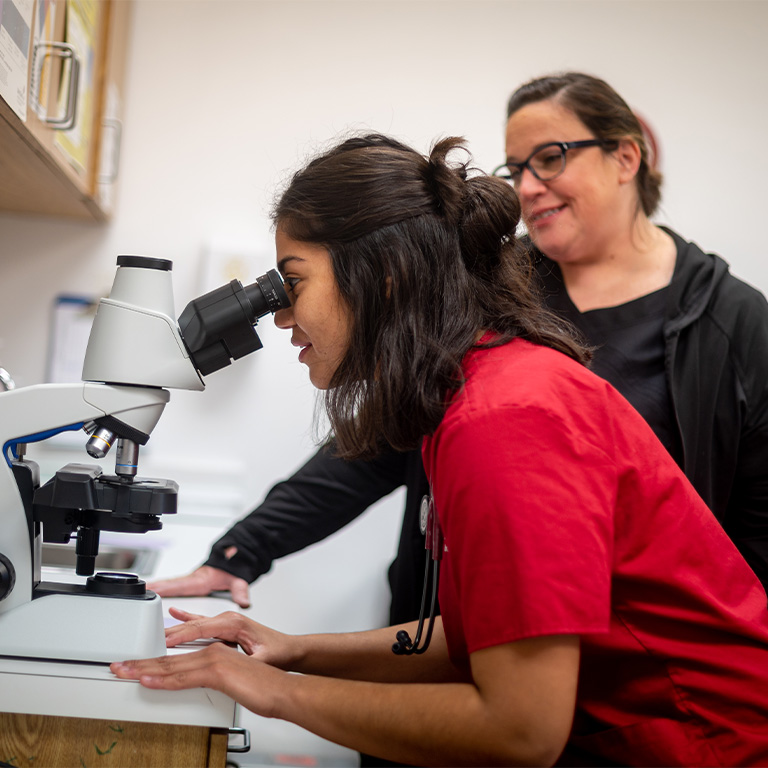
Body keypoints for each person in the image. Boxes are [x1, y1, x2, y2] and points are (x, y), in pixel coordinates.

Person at [114, 133, 768, 767]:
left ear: (388, 277)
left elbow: (521, 732)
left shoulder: (506, 421)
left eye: (294, 282)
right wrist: (294, 651)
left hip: (707, 747)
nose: (281, 317)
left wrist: (275, 693)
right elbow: (496, 632)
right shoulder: (476, 391)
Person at [149, 71, 768, 619]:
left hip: (628, 658)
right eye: (515, 167)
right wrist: (244, 549)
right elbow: (379, 439)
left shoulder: (734, 324)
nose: (527, 186)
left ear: (626, 157)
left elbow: (751, 527)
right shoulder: (494, 285)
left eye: (550, 158)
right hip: (454, 628)